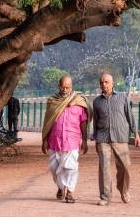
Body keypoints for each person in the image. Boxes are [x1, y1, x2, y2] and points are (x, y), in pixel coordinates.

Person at [92, 73, 140, 206]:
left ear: (112, 83)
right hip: (103, 138)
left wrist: (135, 133)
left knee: (125, 166)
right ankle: (105, 197)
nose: (104, 85)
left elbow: (129, 116)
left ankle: (124, 191)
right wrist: (96, 139)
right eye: (102, 82)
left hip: (120, 137)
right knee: (104, 168)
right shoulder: (96, 101)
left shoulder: (122, 97)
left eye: (107, 82)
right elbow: (95, 121)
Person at [41, 75, 91, 203]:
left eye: (67, 87)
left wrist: (84, 140)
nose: (64, 89)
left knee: (71, 167)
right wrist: (44, 140)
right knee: (54, 168)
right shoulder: (53, 101)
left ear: (71, 87)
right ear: (59, 86)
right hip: (54, 141)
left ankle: (69, 191)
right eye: (62, 87)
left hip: (72, 140)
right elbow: (47, 122)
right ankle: (60, 186)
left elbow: (83, 123)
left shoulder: (79, 101)